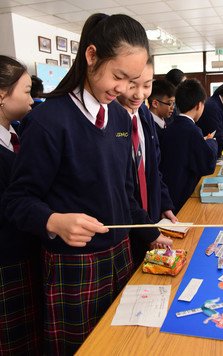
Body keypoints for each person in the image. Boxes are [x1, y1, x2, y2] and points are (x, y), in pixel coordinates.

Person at [2, 13, 171, 355]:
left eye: (134, 79)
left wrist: (149, 229)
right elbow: (17, 199)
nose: (124, 89)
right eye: (118, 77)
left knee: (123, 344)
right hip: (74, 266)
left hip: (121, 254)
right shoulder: (49, 121)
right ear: (91, 56)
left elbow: (124, 191)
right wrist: (53, 221)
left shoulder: (121, 119)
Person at [0, 55, 42, 354]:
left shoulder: (18, 132)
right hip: (6, 257)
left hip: (25, 250)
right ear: (2, 94)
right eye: (27, 91)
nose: (33, 98)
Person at [116, 58, 175, 266]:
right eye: (132, 85)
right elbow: (119, 186)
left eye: (147, 85)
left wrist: (164, 202)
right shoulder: (111, 120)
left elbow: (154, 167)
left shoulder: (144, 114)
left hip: (149, 213)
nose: (139, 94)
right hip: (126, 221)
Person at [160, 79, 218, 214]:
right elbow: (207, 165)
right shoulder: (192, 130)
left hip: (169, 192)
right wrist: (211, 142)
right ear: (199, 105)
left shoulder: (170, 127)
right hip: (183, 195)